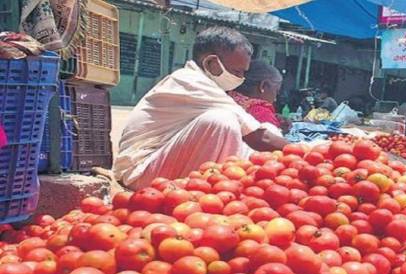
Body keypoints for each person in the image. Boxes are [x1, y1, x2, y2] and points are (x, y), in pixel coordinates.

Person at [114, 27, 287, 189]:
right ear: (212, 63)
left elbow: (258, 132)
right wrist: (304, 152)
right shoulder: (191, 81)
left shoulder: (203, 83)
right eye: (237, 71)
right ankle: (207, 189)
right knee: (221, 121)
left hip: (159, 163)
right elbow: (259, 137)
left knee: (268, 130)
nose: (241, 78)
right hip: (139, 172)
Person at [229, 61, 284, 133]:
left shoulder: (226, 99)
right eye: (276, 91)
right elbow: (273, 143)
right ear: (263, 85)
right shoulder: (262, 113)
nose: (275, 99)